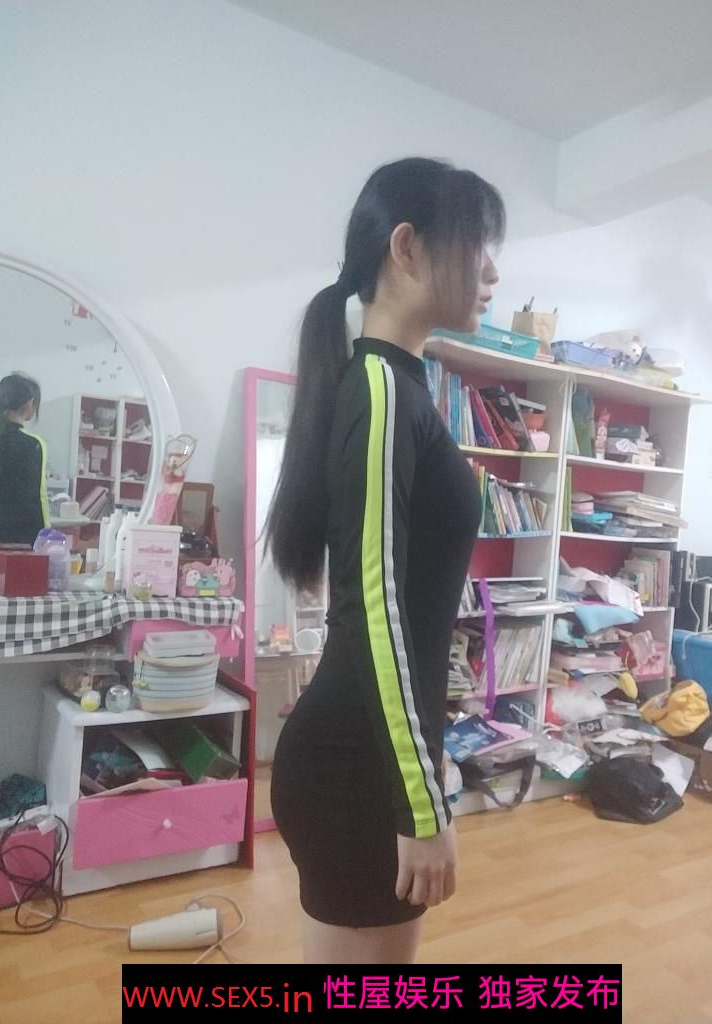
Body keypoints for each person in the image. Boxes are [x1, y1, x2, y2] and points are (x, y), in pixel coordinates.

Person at [266, 157, 504, 964]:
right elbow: (376, 609)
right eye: (477, 246)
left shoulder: (399, 385)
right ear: (407, 247)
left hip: (373, 762)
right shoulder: (379, 387)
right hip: (354, 772)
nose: (491, 272)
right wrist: (422, 806)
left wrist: (425, 776)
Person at [0, 373, 50, 545]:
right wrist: (45, 537)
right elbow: (40, 496)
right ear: (30, 403)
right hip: (21, 538)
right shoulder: (34, 444)